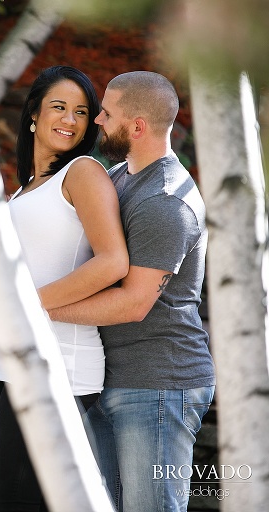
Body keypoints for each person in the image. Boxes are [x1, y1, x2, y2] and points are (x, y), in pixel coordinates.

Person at [0, 65, 129, 512]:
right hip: (8, 364)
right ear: (33, 112)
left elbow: (113, 262)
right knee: (23, 498)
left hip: (57, 365)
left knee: (11, 498)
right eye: (59, 107)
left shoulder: (84, 173)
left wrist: (20, 308)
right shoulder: (28, 188)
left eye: (82, 112)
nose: (70, 120)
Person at [46, 71, 216, 512]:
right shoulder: (120, 177)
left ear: (137, 126)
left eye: (107, 112)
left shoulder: (165, 202)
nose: (97, 120)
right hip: (110, 377)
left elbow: (135, 302)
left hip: (158, 386)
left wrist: (31, 307)